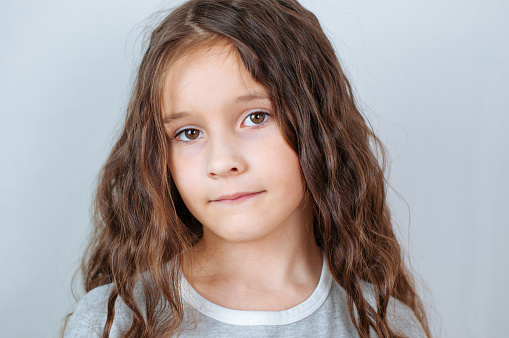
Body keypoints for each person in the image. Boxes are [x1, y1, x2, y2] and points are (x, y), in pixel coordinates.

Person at [63, 0, 431, 337]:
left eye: (256, 117)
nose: (222, 162)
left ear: (318, 126)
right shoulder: (115, 321)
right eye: (188, 133)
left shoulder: (383, 323)